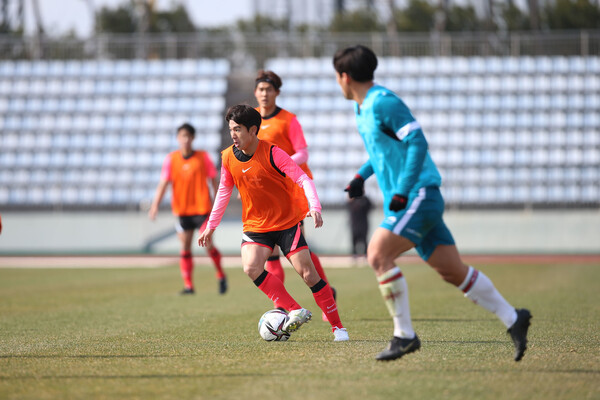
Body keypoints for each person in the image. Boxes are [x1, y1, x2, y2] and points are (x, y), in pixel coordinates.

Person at [333, 45, 531, 361]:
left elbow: (417, 142)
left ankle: (404, 335)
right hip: (414, 197)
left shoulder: (384, 103)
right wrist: (361, 175)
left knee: (377, 254)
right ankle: (513, 318)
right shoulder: (362, 108)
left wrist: (403, 190)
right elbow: (382, 150)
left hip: (418, 194)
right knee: (453, 271)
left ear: (344, 77)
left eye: (337, 77)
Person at [198, 104, 348, 342]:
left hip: (287, 223)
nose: (233, 135)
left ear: (253, 130)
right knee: (251, 267)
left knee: (309, 275)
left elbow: (303, 178)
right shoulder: (227, 157)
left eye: (238, 129)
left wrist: (315, 207)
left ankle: (338, 328)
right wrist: (211, 226)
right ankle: (295, 309)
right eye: (231, 130)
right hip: (256, 226)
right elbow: (224, 192)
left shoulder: (273, 153)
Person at [253, 70, 336, 320]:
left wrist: (279, 164)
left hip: (291, 189)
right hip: (266, 193)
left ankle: (326, 293)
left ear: (277, 92)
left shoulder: (288, 120)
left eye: (269, 89)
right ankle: (280, 305)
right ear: (255, 92)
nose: (264, 94)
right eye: (260, 89)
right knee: (272, 250)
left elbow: (303, 153)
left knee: (298, 249)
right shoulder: (251, 119)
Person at [149, 123, 227, 295]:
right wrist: (154, 206)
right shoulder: (171, 159)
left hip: (201, 209)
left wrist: (216, 203)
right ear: (178, 138)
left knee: (208, 244)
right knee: (185, 247)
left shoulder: (203, 157)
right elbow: (163, 183)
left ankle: (221, 275)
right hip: (182, 211)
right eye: (182, 136)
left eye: (188, 136)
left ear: (193, 138)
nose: (185, 140)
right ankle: (188, 286)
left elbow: (213, 181)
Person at [347, 195, 372, 261]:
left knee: (364, 240)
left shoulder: (365, 199)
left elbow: (369, 207)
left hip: (363, 224)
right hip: (354, 224)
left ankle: (366, 255)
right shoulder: (352, 199)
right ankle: (354, 256)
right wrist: (350, 200)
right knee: (354, 241)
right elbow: (349, 207)